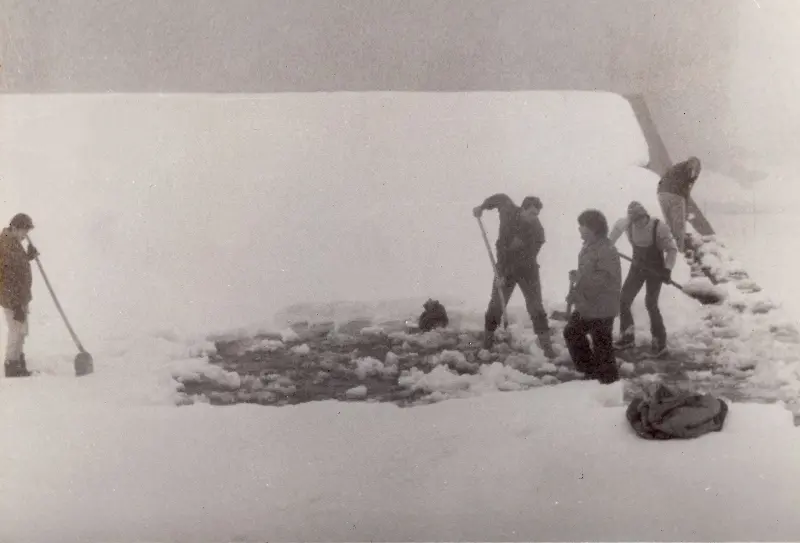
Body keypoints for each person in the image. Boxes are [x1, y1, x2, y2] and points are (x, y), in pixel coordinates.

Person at [472, 194, 555, 358]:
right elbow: (500, 198)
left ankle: (548, 349)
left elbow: (525, 259)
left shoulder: (537, 233)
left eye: (536, 215)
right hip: (504, 266)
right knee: (496, 305)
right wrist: (482, 207)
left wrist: (504, 274)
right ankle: (487, 344)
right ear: (522, 209)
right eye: (531, 214)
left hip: (527, 271)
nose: (534, 218)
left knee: (536, 307)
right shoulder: (508, 210)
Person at [609, 201, 678, 356]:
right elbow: (610, 239)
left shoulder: (659, 227)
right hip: (637, 266)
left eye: (641, 219)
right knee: (624, 299)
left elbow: (672, 250)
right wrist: (609, 247)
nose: (639, 223)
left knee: (651, 303)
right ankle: (627, 337)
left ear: (646, 216)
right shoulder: (626, 224)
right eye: (635, 220)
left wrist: (667, 270)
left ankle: (659, 342)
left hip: (656, 268)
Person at [564, 209, 621, 384]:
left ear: (593, 228)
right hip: (587, 304)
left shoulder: (606, 249)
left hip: (602, 306)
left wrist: (580, 281)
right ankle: (590, 372)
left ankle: (609, 385)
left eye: (582, 226)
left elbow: (604, 278)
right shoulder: (589, 245)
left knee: (602, 347)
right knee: (572, 332)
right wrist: (577, 277)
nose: (579, 230)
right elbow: (589, 272)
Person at [0, 213, 39, 377]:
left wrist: (28, 256)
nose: (26, 235)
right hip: (12, 300)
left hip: (20, 297)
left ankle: (18, 362)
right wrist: (16, 304)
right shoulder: (6, 245)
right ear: (14, 228)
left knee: (21, 331)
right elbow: (7, 278)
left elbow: (18, 266)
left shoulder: (14, 242)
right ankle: (12, 364)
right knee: (16, 331)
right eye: (24, 231)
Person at [657, 156, 701, 254]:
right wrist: (685, 208)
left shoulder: (678, 167)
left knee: (669, 225)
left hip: (661, 193)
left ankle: (668, 250)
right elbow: (686, 191)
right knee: (679, 226)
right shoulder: (690, 169)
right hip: (675, 195)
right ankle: (679, 253)